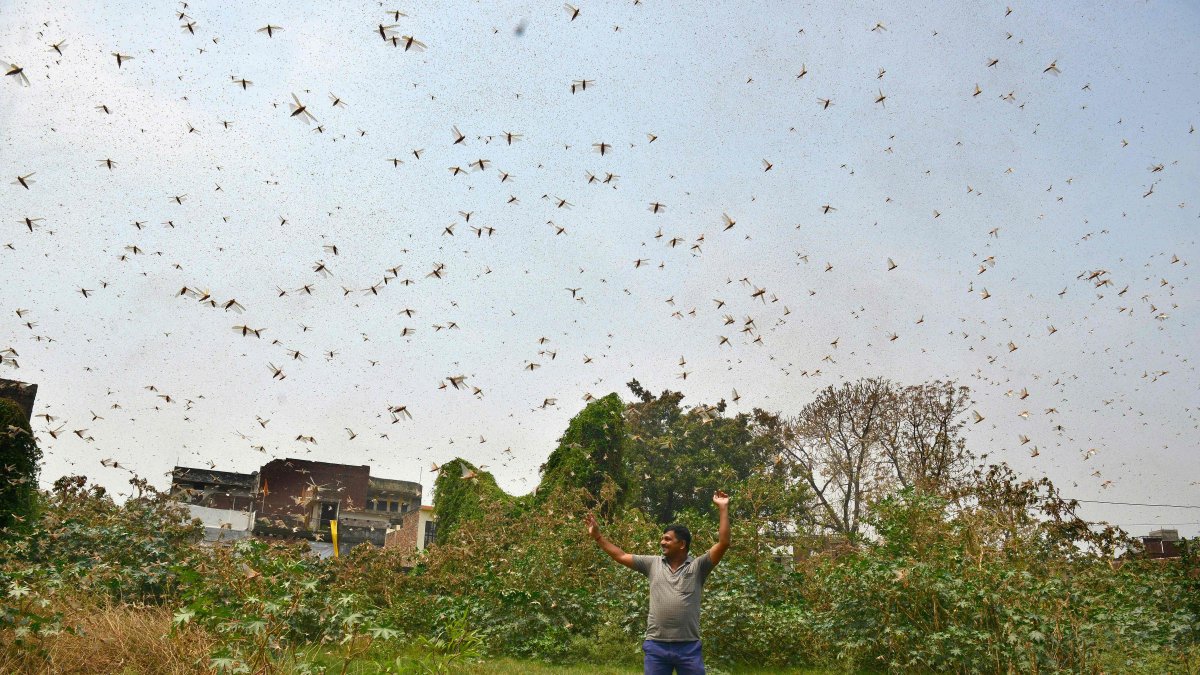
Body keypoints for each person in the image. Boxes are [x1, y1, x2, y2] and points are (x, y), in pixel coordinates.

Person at [585, 490, 731, 675]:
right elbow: (620, 555)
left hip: (689, 647)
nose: (662, 542)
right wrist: (598, 537)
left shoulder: (698, 566)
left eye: (667, 539)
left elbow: (723, 543)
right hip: (656, 646)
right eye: (662, 538)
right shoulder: (652, 564)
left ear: (682, 544)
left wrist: (723, 508)